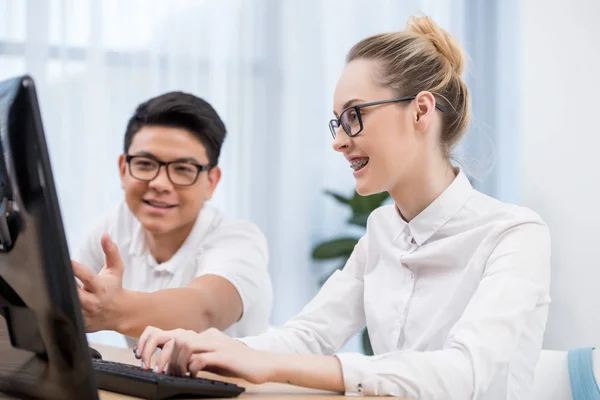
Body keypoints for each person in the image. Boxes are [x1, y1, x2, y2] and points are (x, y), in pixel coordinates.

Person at [133, 16, 551, 399]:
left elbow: (465, 374)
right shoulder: (381, 231)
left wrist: (269, 365)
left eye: (354, 116)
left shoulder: (514, 235)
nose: (339, 141)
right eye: (337, 122)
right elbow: (310, 335)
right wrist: (219, 348)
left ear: (421, 111)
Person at [72, 92, 273, 350]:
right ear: (123, 170)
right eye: (145, 164)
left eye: (182, 169)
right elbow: (66, 299)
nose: (159, 184)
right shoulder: (115, 224)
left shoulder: (239, 241)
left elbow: (204, 311)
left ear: (211, 182)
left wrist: (113, 310)